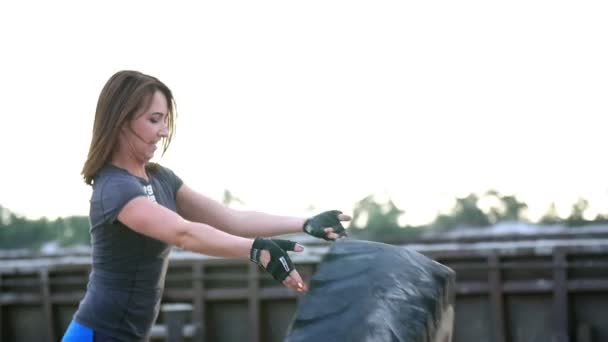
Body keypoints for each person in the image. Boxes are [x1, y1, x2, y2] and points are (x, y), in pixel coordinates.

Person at [61, 70, 351, 341]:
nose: (163, 131)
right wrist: (257, 250)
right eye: (154, 120)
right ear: (121, 120)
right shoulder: (114, 187)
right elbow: (183, 233)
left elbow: (230, 219)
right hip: (97, 333)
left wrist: (303, 224)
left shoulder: (161, 179)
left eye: (165, 121)